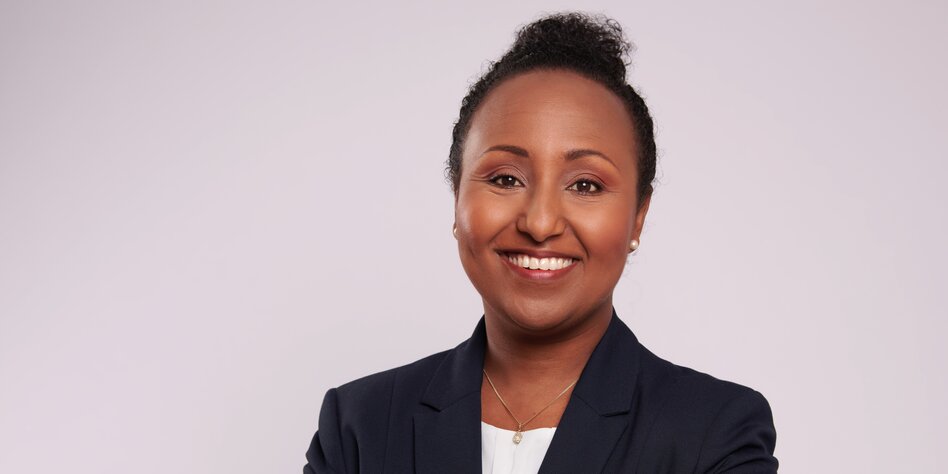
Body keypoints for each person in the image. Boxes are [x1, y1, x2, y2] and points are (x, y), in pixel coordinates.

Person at [304, 12, 778, 474]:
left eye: (586, 185)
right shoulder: (359, 427)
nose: (540, 222)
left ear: (638, 216)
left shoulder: (715, 433)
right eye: (506, 178)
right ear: (457, 199)